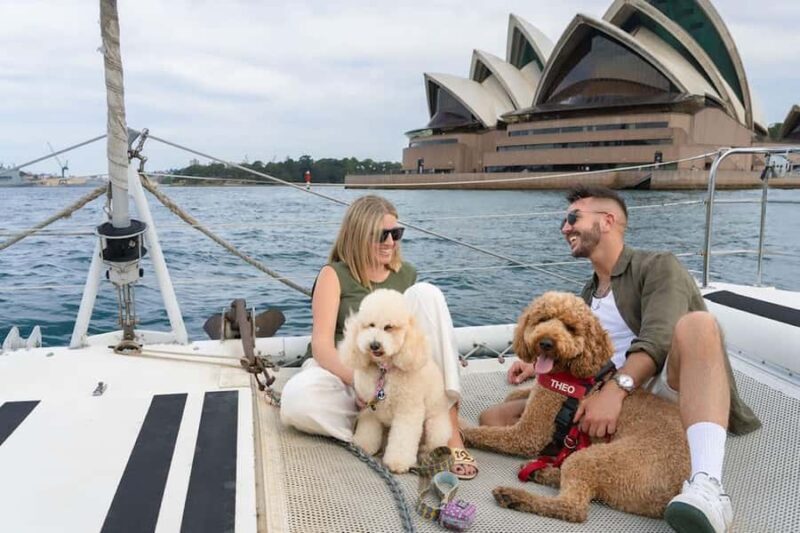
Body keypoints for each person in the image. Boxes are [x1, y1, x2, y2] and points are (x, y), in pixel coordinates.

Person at [479, 185, 759, 533]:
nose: (564, 228)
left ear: (607, 221)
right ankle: (591, 467)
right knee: (495, 415)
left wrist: (615, 391)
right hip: (601, 392)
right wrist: (539, 362)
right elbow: (586, 351)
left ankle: (706, 486)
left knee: (699, 325)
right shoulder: (588, 291)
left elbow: (658, 338)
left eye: (572, 218)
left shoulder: (658, 266)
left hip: (663, 386)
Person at [280, 195, 478, 479]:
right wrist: (362, 387)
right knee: (297, 403)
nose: (390, 242)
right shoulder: (333, 275)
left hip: (399, 376)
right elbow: (322, 346)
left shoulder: (407, 275)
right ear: (359, 235)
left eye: (395, 233)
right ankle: (388, 426)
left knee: (428, 294)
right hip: (344, 372)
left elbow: (416, 338)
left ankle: (449, 426)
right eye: (380, 235)